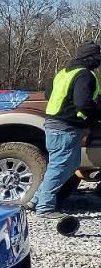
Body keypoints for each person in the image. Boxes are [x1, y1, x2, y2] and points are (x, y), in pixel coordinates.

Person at [32, 41, 101, 217]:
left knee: (59, 166)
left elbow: (49, 94)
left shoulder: (63, 72)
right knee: (61, 167)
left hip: (53, 124)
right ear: (92, 58)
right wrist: (93, 118)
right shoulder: (84, 74)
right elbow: (83, 102)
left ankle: (35, 201)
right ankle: (45, 208)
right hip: (66, 127)